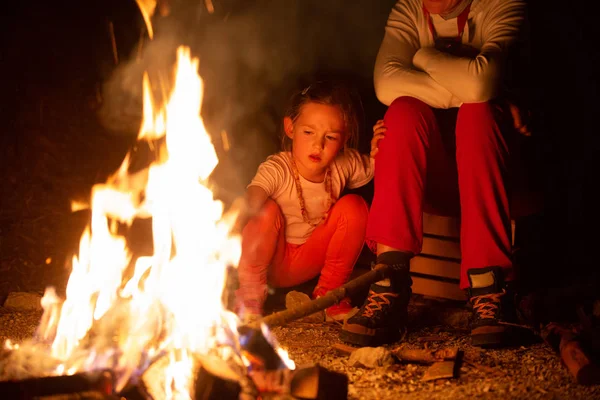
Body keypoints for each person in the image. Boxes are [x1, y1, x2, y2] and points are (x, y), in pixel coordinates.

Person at [340, 0, 532, 348]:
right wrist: (476, 87)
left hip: (500, 177)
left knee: (479, 115)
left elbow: (484, 82)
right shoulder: (409, 9)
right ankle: (390, 281)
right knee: (400, 114)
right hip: (435, 179)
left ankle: (490, 290)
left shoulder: (501, 4)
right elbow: (386, 84)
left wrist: (422, 58)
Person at [235, 81, 384, 322]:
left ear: (344, 138)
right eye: (308, 132)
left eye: (331, 137)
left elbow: (374, 167)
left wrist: (382, 149)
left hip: (310, 258)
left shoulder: (344, 165)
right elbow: (253, 197)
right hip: (271, 259)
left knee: (354, 207)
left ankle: (329, 299)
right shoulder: (278, 168)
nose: (318, 144)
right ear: (290, 128)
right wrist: (228, 225)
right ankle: (249, 299)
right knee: (265, 209)